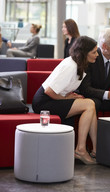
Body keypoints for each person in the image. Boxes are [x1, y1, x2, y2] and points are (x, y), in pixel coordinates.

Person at [32, 36, 98, 165]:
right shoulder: (71, 66)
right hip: (44, 102)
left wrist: (68, 95)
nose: (97, 55)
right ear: (84, 53)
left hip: (53, 98)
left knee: (91, 105)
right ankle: (80, 150)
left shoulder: (79, 64)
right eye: (94, 52)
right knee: (89, 104)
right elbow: (49, 91)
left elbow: (62, 87)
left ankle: (96, 150)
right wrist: (66, 98)